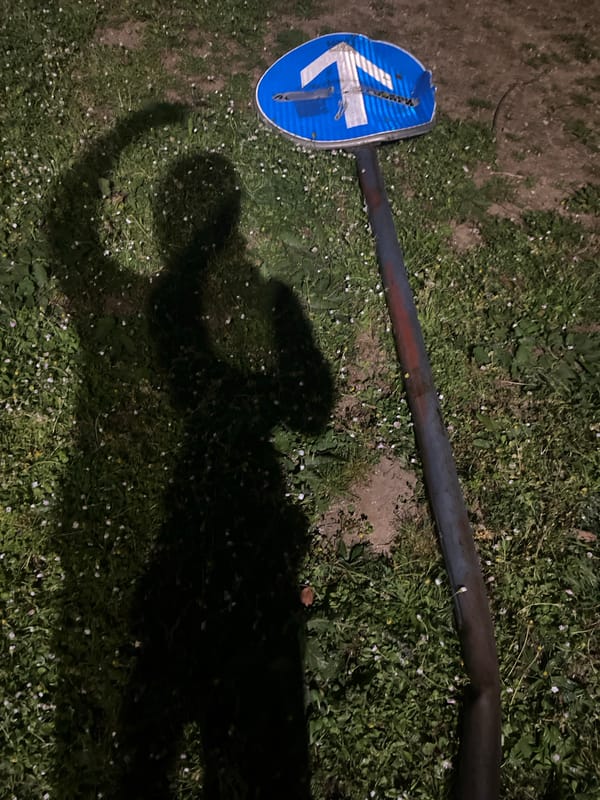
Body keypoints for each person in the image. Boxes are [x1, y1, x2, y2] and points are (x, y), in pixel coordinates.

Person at [48, 105, 333, 799]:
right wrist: (260, 395)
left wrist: (125, 132)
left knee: (145, 733)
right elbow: (314, 410)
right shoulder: (264, 300)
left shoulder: (154, 307)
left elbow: (66, 228)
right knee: (260, 743)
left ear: (165, 225)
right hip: (249, 550)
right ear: (238, 223)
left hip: (171, 543)